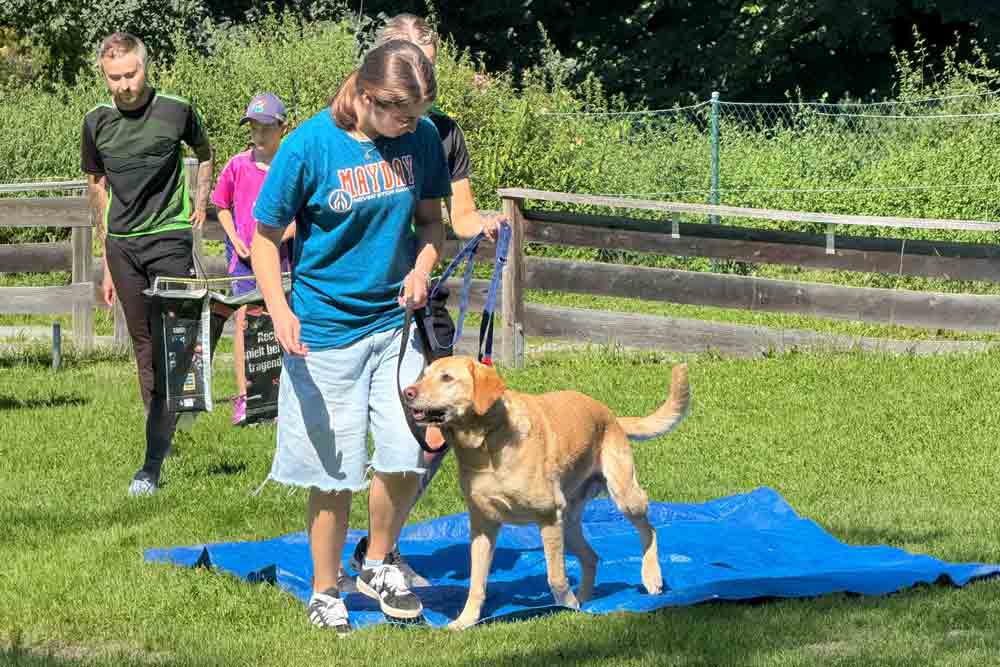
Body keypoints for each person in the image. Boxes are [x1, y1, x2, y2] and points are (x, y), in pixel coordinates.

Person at [250, 40, 450, 633]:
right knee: (333, 471)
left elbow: (431, 223)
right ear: (367, 97)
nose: (410, 126)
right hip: (326, 332)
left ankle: (378, 562)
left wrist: (421, 269)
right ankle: (324, 590)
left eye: (416, 115)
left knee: (407, 451)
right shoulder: (309, 145)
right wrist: (279, 310)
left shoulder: (421, 139)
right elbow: (264, 239)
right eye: (401, 115)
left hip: (393, 324)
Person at [347, 13, 505, 587]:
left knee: (435, 430)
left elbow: (455, 217)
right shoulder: (350, 128)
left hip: (423, 292)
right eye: (412, 64)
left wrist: (483, 224)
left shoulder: (443, 132)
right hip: (360, 296)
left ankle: (380, 549)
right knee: (357, 435)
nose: (422, 77)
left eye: (429, 67)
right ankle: (363, 554)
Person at [81, 32, 214, 497]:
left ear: (145, 67)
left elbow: (204, 153)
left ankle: (153, 459)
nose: (124, 85)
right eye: (114, 77)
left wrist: (200, 202)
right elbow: (96, 183)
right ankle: (158, 426)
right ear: (105, 76)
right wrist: (105, 255)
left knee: (173, 340)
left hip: (168, 239)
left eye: (131, 74)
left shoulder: (177, 110)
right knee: (143, 345)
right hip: (123, 246)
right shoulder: (95, 121)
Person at [211, 92, 295, 425]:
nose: (259, 135)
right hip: (244, 262)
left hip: (282, 259)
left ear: (282, 128)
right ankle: (245, 396)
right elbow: (221, 206)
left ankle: (280, 397)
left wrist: (276, 239)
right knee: (245, 323)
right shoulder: (237, 165)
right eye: (253, 128)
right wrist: (234, 238)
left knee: (280, 320)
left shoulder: (292, 165)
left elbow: (302, 215)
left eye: (266, 128)